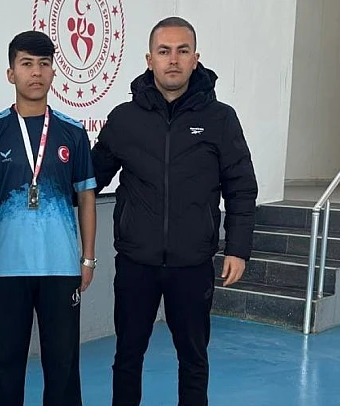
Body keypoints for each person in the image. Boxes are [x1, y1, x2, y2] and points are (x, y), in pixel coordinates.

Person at [91, 17, 258, 406]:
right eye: (164, 51)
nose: (173, 59)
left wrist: (237, 248)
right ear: (149, 59)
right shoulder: (124, 119)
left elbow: (240, 187)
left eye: (183, 51)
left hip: (192, 264)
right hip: (136, 262)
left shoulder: (220, 119)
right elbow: (89, 180)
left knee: (194, 359)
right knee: (127, 357)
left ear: (195, 59)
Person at [0, 30, 97, 406]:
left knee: (63, 367)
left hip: (61, 267)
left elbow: (86, 198)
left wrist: (87, 258)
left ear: (54, 72)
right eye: (26, 64)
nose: (36, 72)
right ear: (11, 74)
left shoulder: (73, 133)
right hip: (4, 269)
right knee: (6, 367)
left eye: (44, 64)